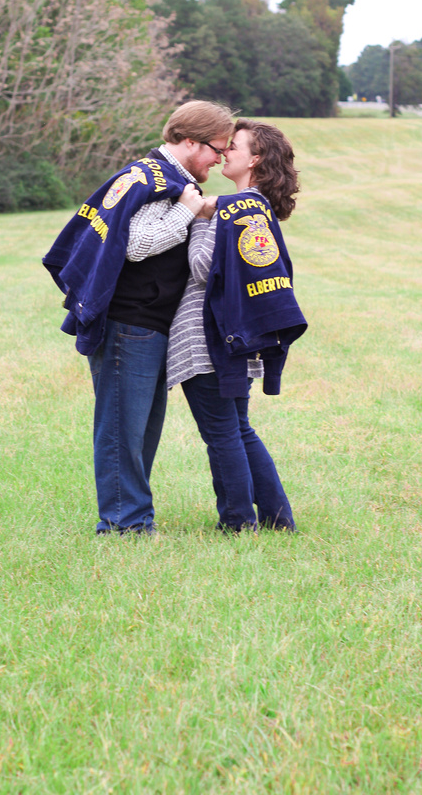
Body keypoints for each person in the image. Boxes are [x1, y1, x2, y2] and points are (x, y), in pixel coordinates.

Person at [43, 101, 235, 534]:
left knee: (141, 430)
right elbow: (137, 245)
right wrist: (188, 209)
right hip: (130, 324)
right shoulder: (160, 182)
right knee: (121, 430)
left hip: (146, 325)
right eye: (215, 150)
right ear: (189, 141)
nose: (220, 160)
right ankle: (123, 525)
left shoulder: (155, 177)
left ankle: (131, 518)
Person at [167, 119, 307, 532]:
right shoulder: (252, 207)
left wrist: (196, 217)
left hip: (209, 336)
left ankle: (237, 522)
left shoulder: (233, 208)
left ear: (255, 159)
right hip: (238, 337)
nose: (225, 151)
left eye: (235, 146)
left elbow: (203, 267)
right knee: (238, 429)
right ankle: (278, 520)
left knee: (222, 433)